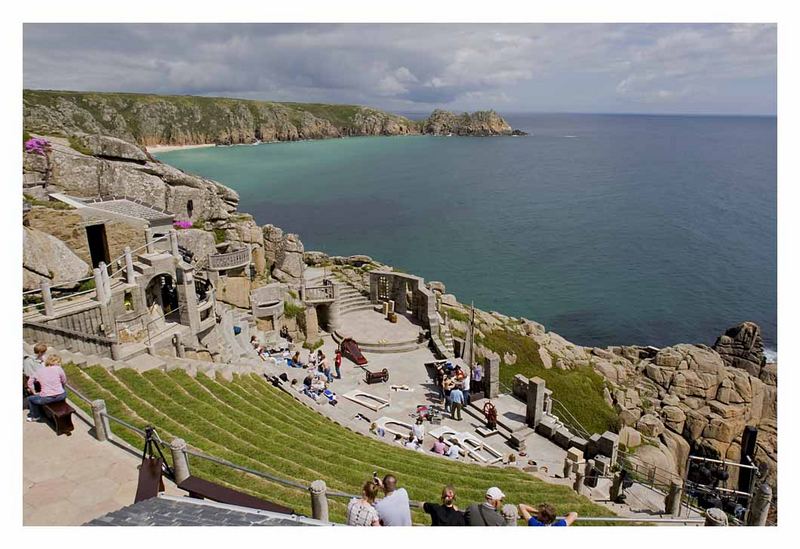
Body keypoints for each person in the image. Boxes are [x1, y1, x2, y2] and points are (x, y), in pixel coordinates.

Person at [26, 355, 68, 422]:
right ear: (55, 362)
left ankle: (35, 416)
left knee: (30, 399)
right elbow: (64, 381)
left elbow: (30, 382)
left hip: (47, 398)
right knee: (63, 391)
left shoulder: (39, 371)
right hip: (61, 395)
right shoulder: (58, 369)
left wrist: (34, 392)